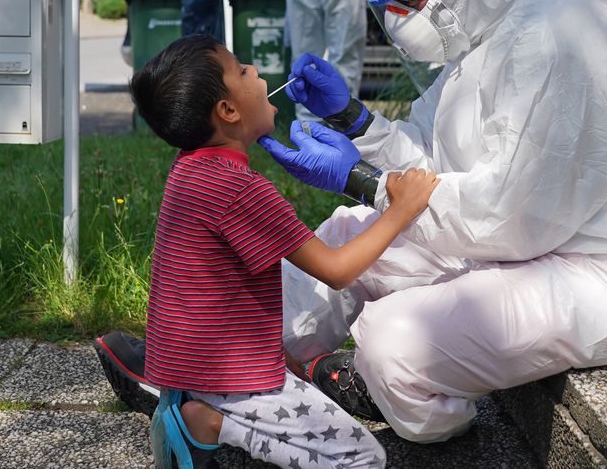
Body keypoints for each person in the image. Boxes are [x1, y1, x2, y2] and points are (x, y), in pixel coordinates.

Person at [97, 0, 607, 444]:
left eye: (409, 4)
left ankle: (437, 425)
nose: (399, 21)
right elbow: (434, 158)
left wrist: (365, 182)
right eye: (390, 4)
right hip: (535, 239)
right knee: (347, 234)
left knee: (396, 342)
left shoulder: (559, 42)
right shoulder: (487, 32)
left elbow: (508, 217)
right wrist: (357, 123)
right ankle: (220, 373)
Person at [127, 33, 438, 468]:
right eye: (242, 71)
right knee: (364, 459)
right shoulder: (241, 189)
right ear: (228, 111)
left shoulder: (189, 170)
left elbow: (220, 291)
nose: (256, 71)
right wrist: (400, 209)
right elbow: (336, 270)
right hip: (232, 380)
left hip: (191, 365)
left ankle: (198, 409)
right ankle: (212, 424)